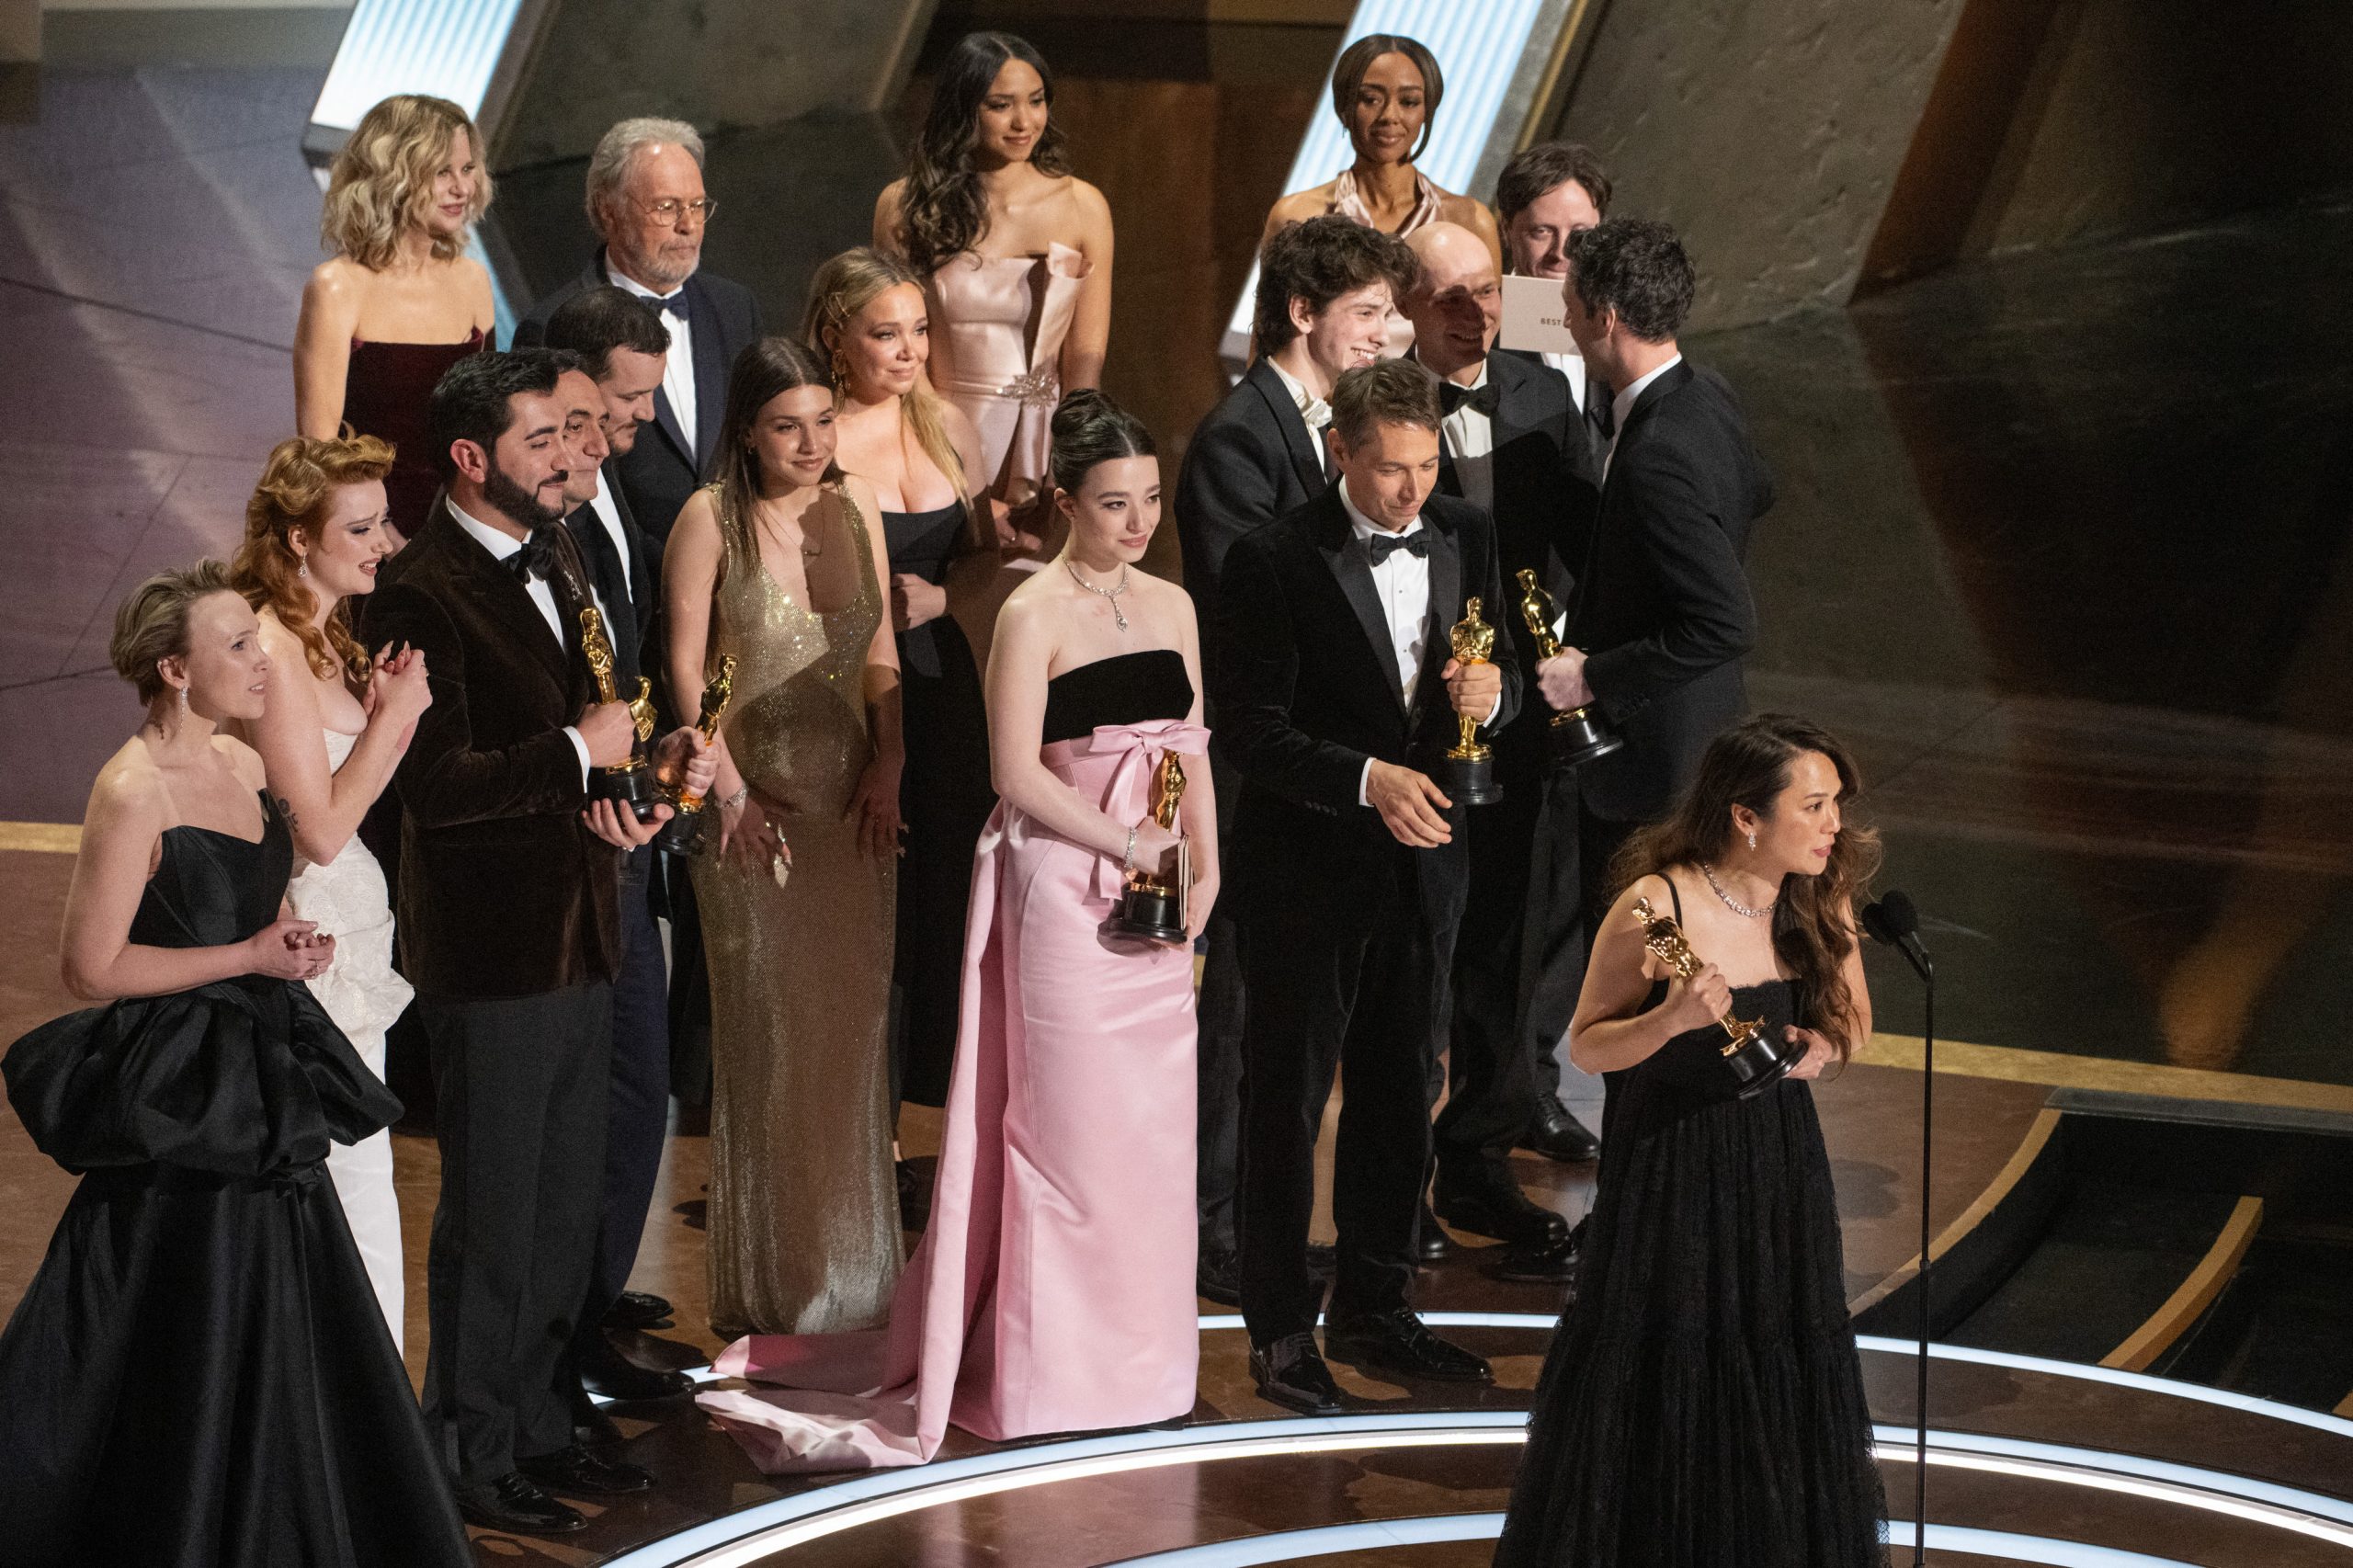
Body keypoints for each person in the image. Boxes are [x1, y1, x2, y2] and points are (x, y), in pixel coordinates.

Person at [695, 388, 1211, 1471]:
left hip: (1159, 899)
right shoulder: (1031, 611)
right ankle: (1047, 1375)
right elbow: (1014, 772)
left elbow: (1191, 748)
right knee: (1063, 1139)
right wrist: (1128, 843)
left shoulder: (1173, 604)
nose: (1138, 522)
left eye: (1150, 500)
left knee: (1149, 1144)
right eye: (1114, 503)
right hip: (1064, 889)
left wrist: (1203, 874)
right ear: (1065, 502)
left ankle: (1140, 1371)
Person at [0, 562, 470, 1567]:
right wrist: (248, 956)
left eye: (258, 642)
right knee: (176, 1319)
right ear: (175, 670)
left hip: (259, 1070)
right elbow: (92, 968)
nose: (265, 662)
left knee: (284, 1308)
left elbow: (267, 882)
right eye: (239, 647)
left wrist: (285, 935)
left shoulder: (243, 762)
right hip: (185, 1094)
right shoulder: (131, 789)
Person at [363, 349, 715, 1535]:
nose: (573, 453)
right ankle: (473, 1449)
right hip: (494, 950)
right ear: (471, 458)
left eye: (573, 434)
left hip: (588, 924)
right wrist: (577, 753)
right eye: (543, 439)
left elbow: (596, 721)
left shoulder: (558, 548)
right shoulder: (418, 592)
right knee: (495, 1219)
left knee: (564, 1210)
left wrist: (642, 779)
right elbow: (437, 786)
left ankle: (543, 1423)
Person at [1492, 714, 1888, 1567]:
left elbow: (1854, 1018)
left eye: (1835, 806)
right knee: (1666, 1357)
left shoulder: (1818, 895)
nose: (1833, 826)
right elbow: (1588, 1044)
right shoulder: (1657, 904)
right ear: (1747, 816)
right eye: (1814, 806)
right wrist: (1668, 1021)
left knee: (1773, 1349)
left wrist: (1822, 1047)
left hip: (1778, 1162)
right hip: (1672, 1167)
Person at [1215, 358, 1517, 1415]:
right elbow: (1248, 730)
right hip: (1306, 873)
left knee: (1401, 1091)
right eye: (1389, 468)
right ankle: (1279, 1331)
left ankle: (1376, 1306)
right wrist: (1365, 778)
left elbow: (1496, 678)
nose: (1410, 489)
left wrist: (1496, 696)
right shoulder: (1269, 558)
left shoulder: (1466, 532)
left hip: (1425, 868)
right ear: (1339, 449)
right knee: (1286, 1103)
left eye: (1425, 466)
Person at [1175, 213, 1414, 1302]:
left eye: (1391, 312)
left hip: (1327, 767)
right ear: (1303, 311)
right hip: (1258, 770)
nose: (1387, 332)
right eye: (1367, 312)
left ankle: (1264, 1216)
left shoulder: (1344, 425)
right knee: (1238, 1008)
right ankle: (1210, 1222)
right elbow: (1253, 607)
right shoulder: (1240, 437)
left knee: (1296, 1011)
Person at [664, 337, 905, 1337]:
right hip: (750, 817)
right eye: (785, 426)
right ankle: (778, 1290)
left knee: (849, 1047)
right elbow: (685, 668)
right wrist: (727, 792)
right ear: (747, 432)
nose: (810, 444)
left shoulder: (859, 508)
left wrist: (893, 762)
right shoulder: (707, 517)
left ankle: (857, 1284)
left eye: (822, 421)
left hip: (852, 815)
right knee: (773, 1047)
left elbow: (881, 647)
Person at [1395, 221, 1595, 1274]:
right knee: (1414, 958)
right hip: (1413, 725)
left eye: (1485, 291)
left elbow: (1577, 550)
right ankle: (1393, 1185)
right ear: (1407, 305)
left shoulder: (1543, 394)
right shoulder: (1381, 407)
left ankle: (1476, 1157)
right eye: (1448, 297)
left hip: (1520, 723)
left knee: (1508, 953)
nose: (1474, 313)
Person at [226, 434, 434, 1351]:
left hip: (349, 935)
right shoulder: (271, 651)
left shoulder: (322, 635)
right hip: (311, 949)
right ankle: (359, 1403)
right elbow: (317, 830)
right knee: (347, 1190)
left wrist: (381, 713)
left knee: (358, 1186)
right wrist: (394, 723)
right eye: (361, 526)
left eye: (384, 520)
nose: (384, 542)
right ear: (299, 538)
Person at [533, 337, 702, 1419]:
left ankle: (591, 1299)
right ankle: (570, 1328)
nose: (625, 429)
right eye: (608, 408)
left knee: (639, 1084)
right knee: (600, 1093)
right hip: (570, 856)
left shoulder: (610, 507)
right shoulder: (537, 536)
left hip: (627, 836)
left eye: (638, 403)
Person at [1540, 220, 1773, 988]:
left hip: (1656, 767)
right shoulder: (1709, 394)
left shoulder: (1657, 455)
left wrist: (1592, 675)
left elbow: (1726, 621)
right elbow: (1758, 488)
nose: (1565, 320)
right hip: (1708, 740)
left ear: (1605, 318)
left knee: (1642, 987)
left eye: (1571, 306)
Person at [803, 247, 997, 1115]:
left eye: (920, 330)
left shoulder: (949, 423)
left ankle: (922, 1105)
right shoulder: (817, 437)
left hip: (946, 687)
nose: (911, 349)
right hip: (852, 689)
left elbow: (984, 557)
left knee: (944, 885)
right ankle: (858, 1118)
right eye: (887, 334)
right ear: (836, 337)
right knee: (865, 898)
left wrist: (947, 597)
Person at [875, 31, 1112, 541]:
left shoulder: (1084, 205)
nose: (1024, 122)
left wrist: (1071, 455)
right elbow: (894, 343)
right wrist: (942, 449)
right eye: (1001, 105)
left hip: (1044, 439)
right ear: (964, 108)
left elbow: (1085, 357)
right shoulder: (903, 205)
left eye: (1036, 101)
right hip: (935, 429)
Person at [516, 117, 764, 543]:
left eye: (698, 206)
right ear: (608, 210)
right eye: (667, 207)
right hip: (631, 570)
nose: (688, 225)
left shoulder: (736, 307)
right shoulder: (551, 325)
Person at [296, 94, 497, 545]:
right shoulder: (337, 287)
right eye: (442, 172)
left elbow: (488, 423)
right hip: (369, 538)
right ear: (392, 177)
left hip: (465, 528)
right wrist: (387, 539)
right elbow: (320, 454)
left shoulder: (473, 280)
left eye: (467, 169)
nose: (462, 188)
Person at [1262, 35, 1501, 316]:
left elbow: (1489, 329)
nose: (1389, 115)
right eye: (1370, 99)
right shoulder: (1297, 216)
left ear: (1428, 110)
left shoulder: (1469, 220)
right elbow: (1270, 333)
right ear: (1343, 106)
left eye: (1409, 101)